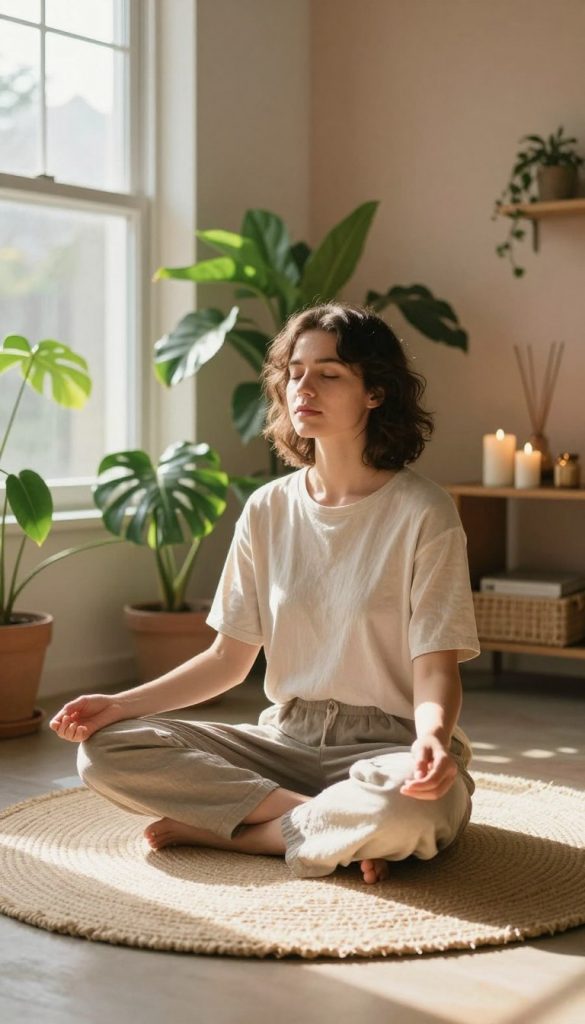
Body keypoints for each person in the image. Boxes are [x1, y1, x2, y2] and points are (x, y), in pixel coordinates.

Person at [50, 302, 480, 885]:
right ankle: (327, 827)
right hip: (286, 742)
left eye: (329, 373)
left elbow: (435, 667)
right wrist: (122, 705)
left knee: (415, 804)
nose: (304, 387)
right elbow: (228, 660)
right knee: (104, 750)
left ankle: (247, 833)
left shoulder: (424, 512)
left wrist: (431, 737)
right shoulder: (268, 508)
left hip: (391, 747)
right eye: (295, 372)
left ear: (375, 392)